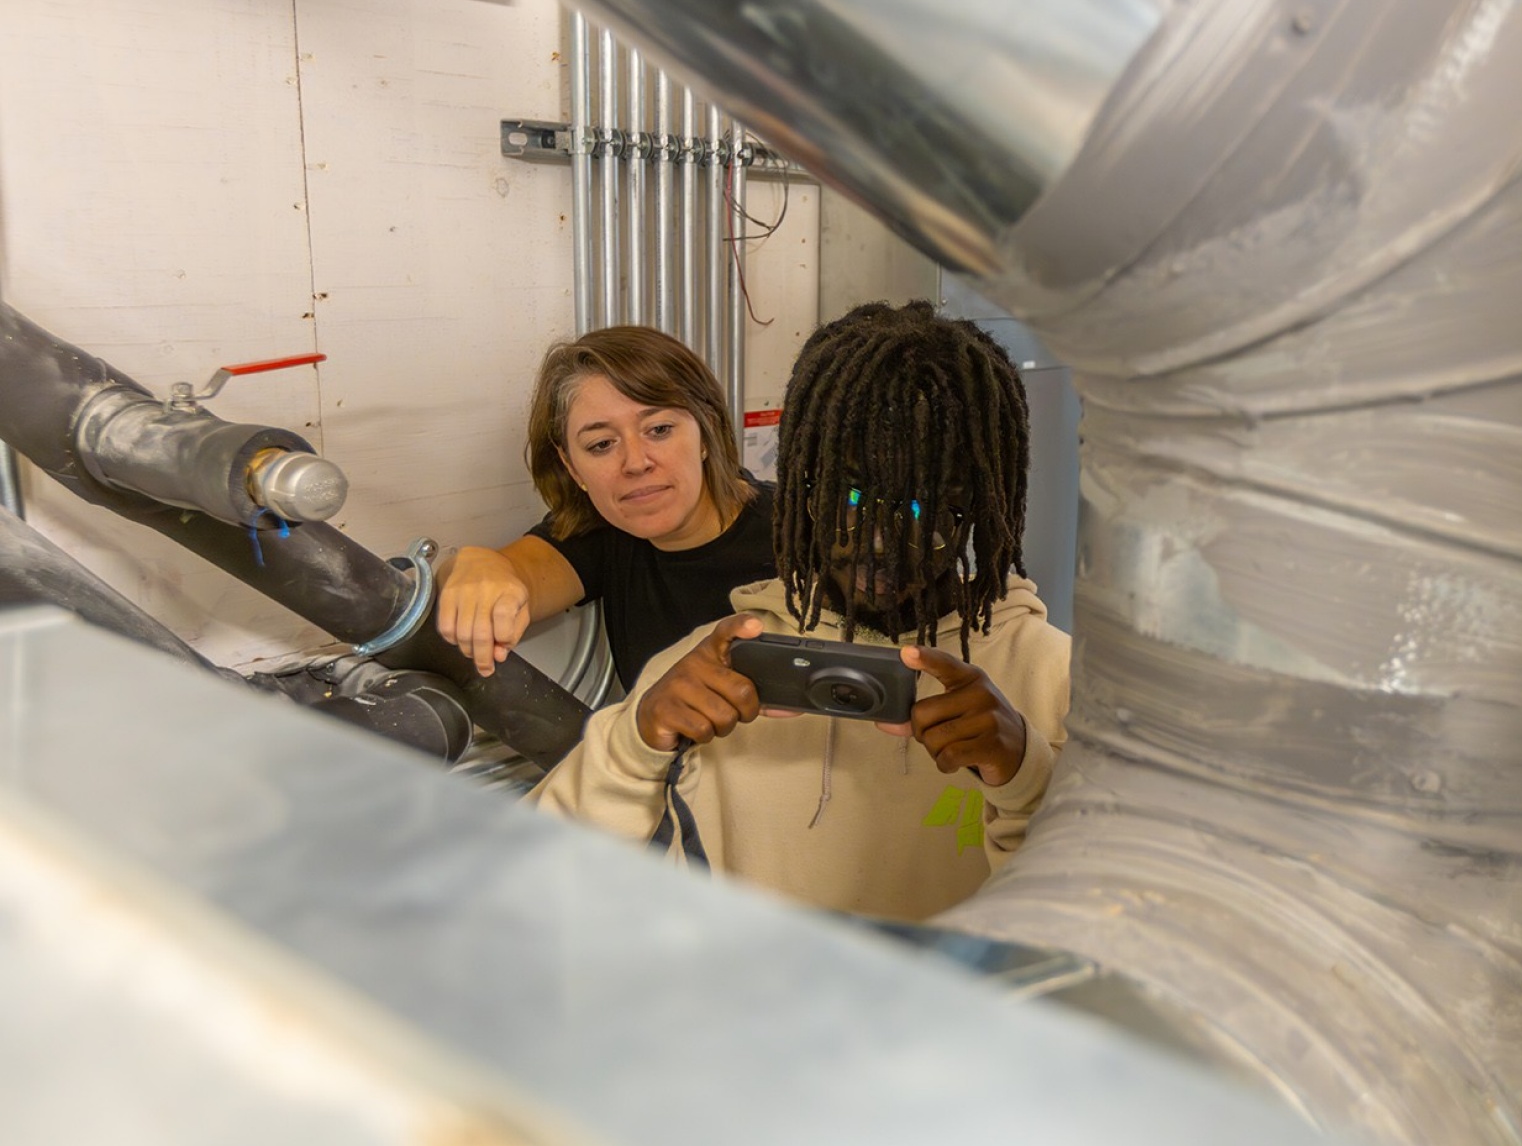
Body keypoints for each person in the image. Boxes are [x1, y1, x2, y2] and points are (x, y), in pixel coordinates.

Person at [532, 300, 1071, 921]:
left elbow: (1115, 938)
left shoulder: (1049, 679)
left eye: (923, 507)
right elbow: (535, 885)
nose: (878, 538)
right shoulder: (714, 666)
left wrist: (1028, 778)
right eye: (849, 495)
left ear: (979, 506)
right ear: (800, 487)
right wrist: (633, 746)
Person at [436, 326, 776, 695]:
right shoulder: (608, 533)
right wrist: (473, 566)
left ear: (706, 431)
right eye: (601, 445)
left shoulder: (799, 536)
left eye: (659, 429)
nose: (635, 462)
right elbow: (509, 575)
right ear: (572, 467)